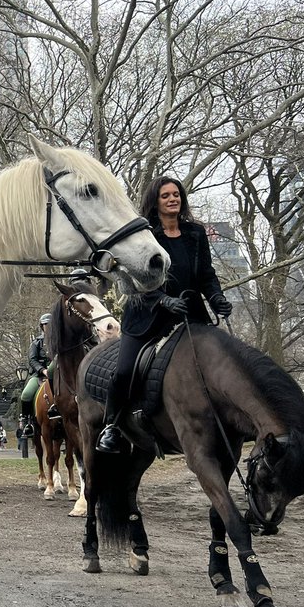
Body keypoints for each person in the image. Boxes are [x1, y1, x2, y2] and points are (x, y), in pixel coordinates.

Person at [96, 176, 232, 453]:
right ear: (155, 201)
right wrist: (162, 300)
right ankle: (112, 426)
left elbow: (206, 274)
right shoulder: (144, 234)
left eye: (176, 194)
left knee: (226, 359)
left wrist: (216, 297)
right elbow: (132, 279)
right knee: (123, 372)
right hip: (147, 317)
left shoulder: (196, 233)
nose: (172, 199)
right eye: (165, 195)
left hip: (189, 314)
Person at [18, 313, 52, 437]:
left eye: (50, 325)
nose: (47, 327)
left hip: (57, 375)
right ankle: (27, 422)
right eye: (45, 325)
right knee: (26, 394)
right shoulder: (36, 343)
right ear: (42, 326)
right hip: (40, 376)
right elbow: (32, 360)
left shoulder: (60, 341)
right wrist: (43, 370)